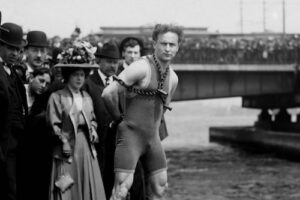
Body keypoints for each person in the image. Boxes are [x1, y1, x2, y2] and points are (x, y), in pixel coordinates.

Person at [102, 24, 183, 200]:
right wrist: (120, 120)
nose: (167, 48)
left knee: (160, 188)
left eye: (172, 44)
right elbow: (108, 93)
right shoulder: (141, 67)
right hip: (130, 136)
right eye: (163, 43)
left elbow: (162, 112)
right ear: (154, 43)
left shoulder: (173, 79)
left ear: (178, 47)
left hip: (152, 139)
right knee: (121, 190)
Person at [46, 41, 106, 200]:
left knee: (87, 182)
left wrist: (93, 129)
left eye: (82, 75)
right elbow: (53, 124)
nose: (79, 79)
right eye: (75, 74)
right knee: (67, 185)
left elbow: (92, 119)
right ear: (67, 76)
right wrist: (63, 141)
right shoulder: (57, 96)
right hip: (66, 147)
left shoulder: (87, 97)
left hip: (85, 145)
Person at [84, 40, 121, 198]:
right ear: (99, 61)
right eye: (109, 62)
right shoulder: (88, 83)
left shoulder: (120, 84)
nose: (113, 66)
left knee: (113, 182)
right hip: (96, 144)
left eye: (115, 62)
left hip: (115, 144)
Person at [0, 22, 28, 200]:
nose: (15, 54)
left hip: (15, 143)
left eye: (18, 50)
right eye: (11, 48)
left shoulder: (13, 73)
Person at [21, 67, 52, 200]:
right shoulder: (19, 89)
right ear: (31, 77)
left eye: (47, 83)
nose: (43, 86)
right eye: (41, 80)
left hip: (30, 149)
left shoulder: (44, 100)